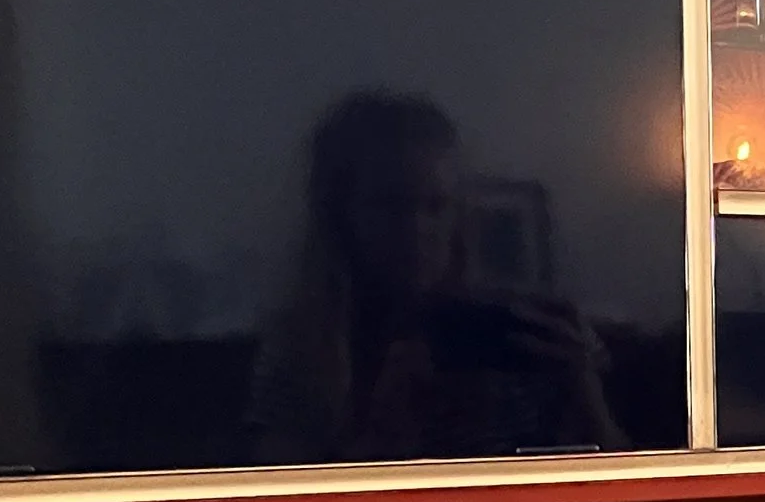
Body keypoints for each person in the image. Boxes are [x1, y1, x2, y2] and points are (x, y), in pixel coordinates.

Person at [251, 91, 619, 462]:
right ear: (340, 215)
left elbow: (615, 479)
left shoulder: (520, 323)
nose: (416, 228)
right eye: (389, 206)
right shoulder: (305, 346)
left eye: (435, 206)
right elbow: (280, 499)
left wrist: (583, 388)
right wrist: (383, 434)